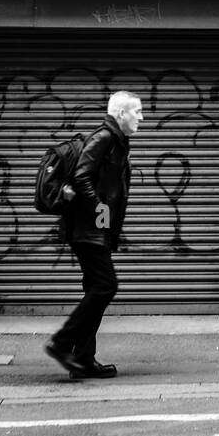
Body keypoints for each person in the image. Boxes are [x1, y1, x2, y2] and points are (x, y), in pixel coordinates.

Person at [45, 91, 143, 379]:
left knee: (96, 289)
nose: (141, 117)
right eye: (136, 111)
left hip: (96, 230)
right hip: (88, 230)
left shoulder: (117, 141)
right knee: (105, 286)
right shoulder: (104, 138)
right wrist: (101, 213)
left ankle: (84, 358)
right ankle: (62, 343)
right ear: (120, 114)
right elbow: (81, 176)